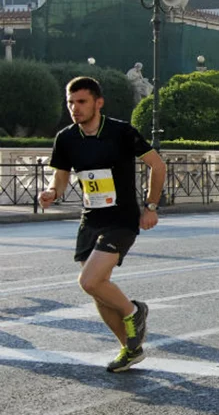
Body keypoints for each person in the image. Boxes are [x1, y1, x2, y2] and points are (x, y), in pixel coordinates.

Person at [39, 76, 167, 372]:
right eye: (70, 102)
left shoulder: (121, 132)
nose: (75, 108)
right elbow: (60, 177)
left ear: (98, 102)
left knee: (89, 281)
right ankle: (129, 349)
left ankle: (134, 311)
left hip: (121, 219)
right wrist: (52, 192)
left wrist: (150, 206)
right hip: (90, 220)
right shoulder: (67, 138)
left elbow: (157, 166)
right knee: (97, 289)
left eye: (81, 102)